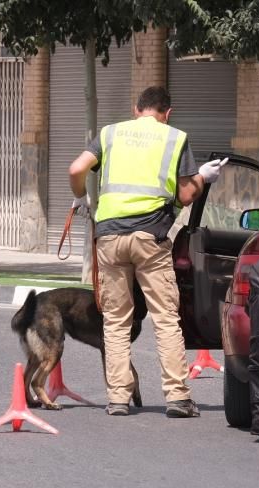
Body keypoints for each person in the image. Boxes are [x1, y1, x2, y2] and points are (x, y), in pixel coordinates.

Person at [68, 85, 227, 418]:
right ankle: (178, 398)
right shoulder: (174, 137)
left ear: (135, 109)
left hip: (110, 238)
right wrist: (203, 177)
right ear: (167, 113)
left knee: (115, 321)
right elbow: (185, 195)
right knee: (166, 319)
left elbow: (75, 169)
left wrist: (81, 197)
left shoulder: (110, 133)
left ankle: (118, 399)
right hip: (150, 237)